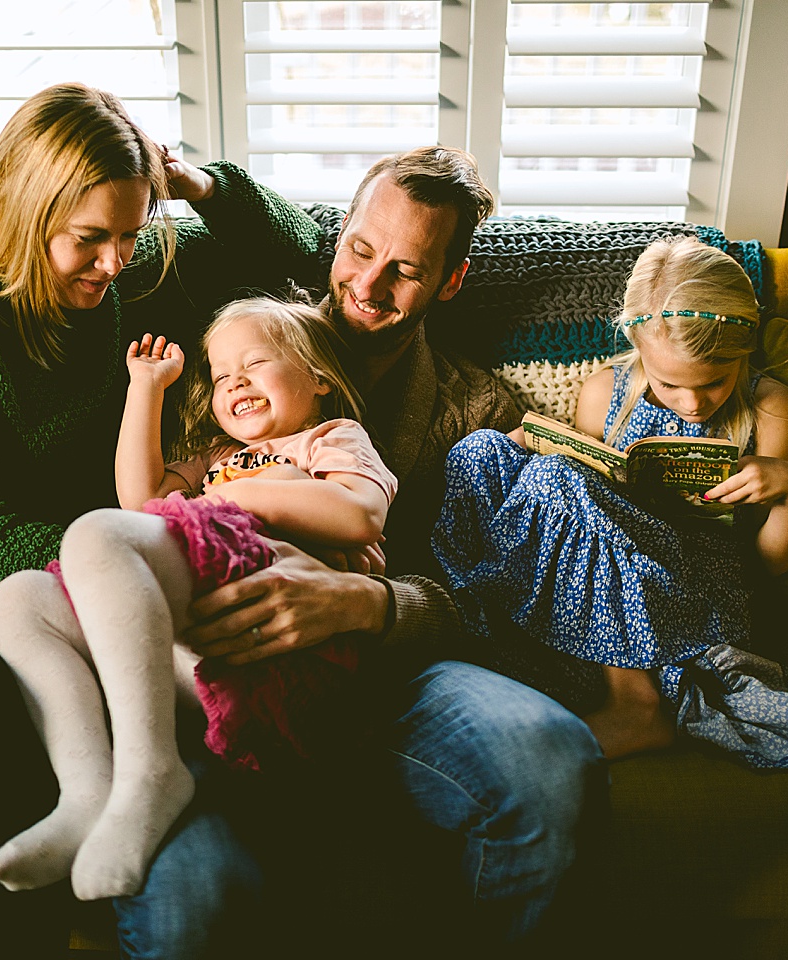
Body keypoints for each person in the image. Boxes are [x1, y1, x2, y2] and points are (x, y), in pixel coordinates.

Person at [0, 83, 347, 960]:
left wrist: (194, 183)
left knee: (86, 735)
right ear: (24, 211)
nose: (113, 261)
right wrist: (129, 567)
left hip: (63, 589)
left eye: (130, 233)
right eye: (88, 238)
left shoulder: (141, 285)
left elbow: (305, 254)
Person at [161, 149, 605, 952]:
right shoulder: (245, 355)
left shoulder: (478, 411)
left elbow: (493, 594)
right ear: (335, 239)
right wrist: (197, 181)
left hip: (393, 667)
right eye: (359, 251)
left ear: (450, 281)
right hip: (227, 655)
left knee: (552, 761)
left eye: (406, 269)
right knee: (204, 885)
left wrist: (370, 602)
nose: (367, 287)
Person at [0, 296, 396, 902]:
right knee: (18, 598)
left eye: (256, 362)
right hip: (194, 654)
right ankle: (87, 794)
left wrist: (241, 499)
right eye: (223, 375)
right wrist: (146, 388)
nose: (237, 383)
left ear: (321, 378)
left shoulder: (327, 439)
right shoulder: (214, 460)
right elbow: (140, 502)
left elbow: (360, 513)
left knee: (93, 535)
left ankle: (151, 772)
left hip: (280, 642)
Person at [433, 236, 788, 767]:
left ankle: (634, 702)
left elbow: (769, 564)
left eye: (714, 382)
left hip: (694, 588)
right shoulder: (603, 392)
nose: (693, 404)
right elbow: (580, 491)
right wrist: (536, 446)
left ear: (744, 350)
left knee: (553, 480)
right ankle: (482, 622)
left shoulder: (767, 404)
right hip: (608, 577)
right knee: (480, 453)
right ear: (638, 347)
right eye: (668, 385)